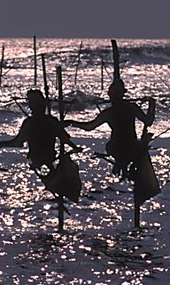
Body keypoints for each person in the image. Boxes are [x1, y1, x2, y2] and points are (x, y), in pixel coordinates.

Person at [65, 79, 159, 208]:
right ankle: (123, 165)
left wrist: (72, 122)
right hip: (128, 146)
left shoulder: (113, 112)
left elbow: (89, 127)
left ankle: (122, 165)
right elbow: (148, 121)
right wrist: (152, 106)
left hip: (118, 147)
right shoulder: (128, 108)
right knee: (137, 149)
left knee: (130, 150)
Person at [0, 89, 82, 202]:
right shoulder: (46, 122)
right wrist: (74, 147)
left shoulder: (36, 123)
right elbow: (65, 139)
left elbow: (17, 143)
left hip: (41, 162)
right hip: (46, 162)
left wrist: (2, 144)